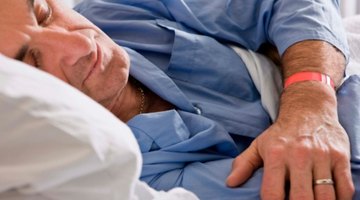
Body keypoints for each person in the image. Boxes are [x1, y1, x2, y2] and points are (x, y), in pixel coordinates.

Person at [0, 0, 358, 199]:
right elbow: (337, 180)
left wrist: (310, 96)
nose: (80, 44)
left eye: (45, 13)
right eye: (33, 63)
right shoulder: (125, 176)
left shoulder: (116, 10)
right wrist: (288, 50)